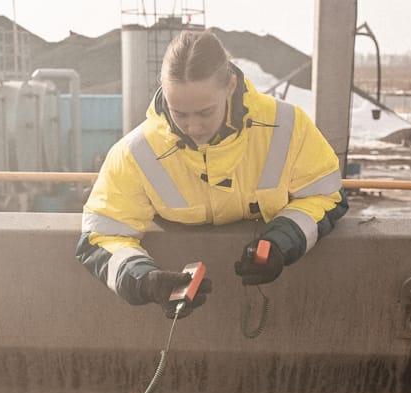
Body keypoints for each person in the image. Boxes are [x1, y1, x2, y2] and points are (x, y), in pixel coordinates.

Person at [76, 29, 347, 318]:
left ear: (230, 86)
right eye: (179, 113)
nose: (193, 127)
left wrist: (282, 241)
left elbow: (325, 196)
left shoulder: (288, 126)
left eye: (205, 112)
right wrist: (145, 280)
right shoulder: (136, 153)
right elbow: (101, 237)